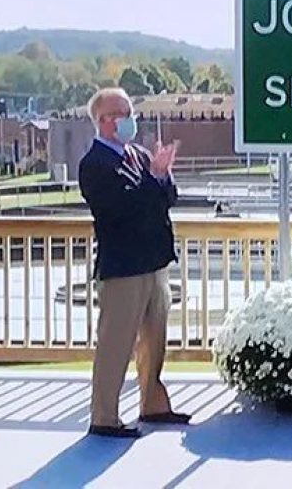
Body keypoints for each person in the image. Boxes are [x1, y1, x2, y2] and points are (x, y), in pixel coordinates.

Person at [79, 87, 190, 438]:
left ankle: (153, 404)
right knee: (116, 343)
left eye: (130, 112)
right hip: (123, 268)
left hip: (154, 262)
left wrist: (160, 175)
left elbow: (167, 196)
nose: (130, 119)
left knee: (154, 340)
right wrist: (153, 179)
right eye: (123, 113)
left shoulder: (139, 155)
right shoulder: (95, 164)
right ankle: (104, 417)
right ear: (105, 120)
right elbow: (120, 208)